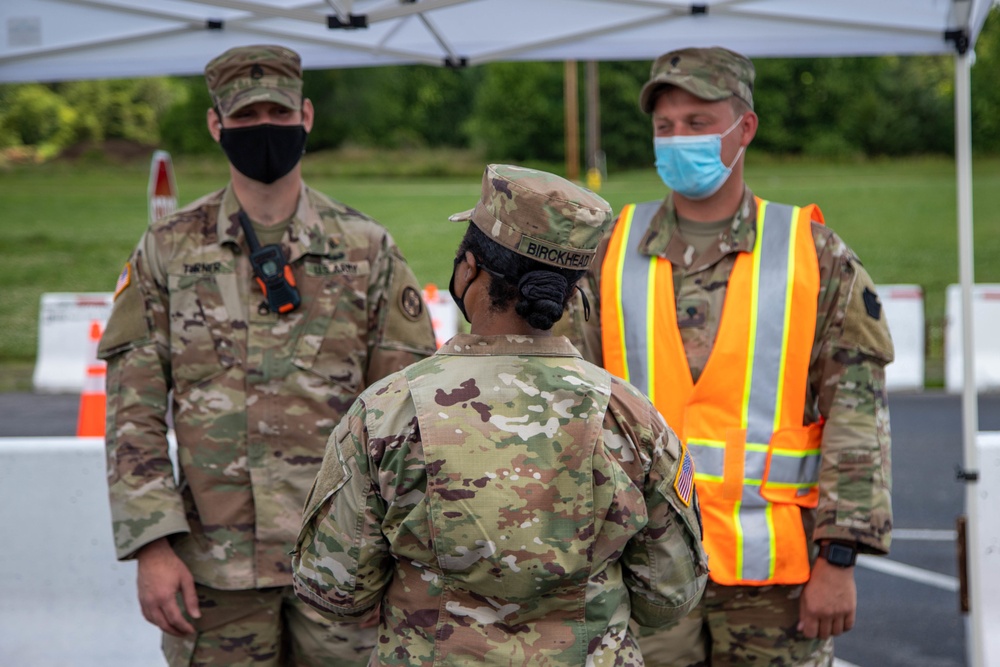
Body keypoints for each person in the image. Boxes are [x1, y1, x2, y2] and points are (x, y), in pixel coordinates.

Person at [97, 44, 437, 666]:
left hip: (346, 569)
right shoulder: (167, 252)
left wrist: (410, 550)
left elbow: (410, 415)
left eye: (277, 115)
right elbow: (131, 415)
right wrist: (152, 546)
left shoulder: (367, 249)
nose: (264, 131)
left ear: (306, 116)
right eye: (245, 117)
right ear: (215, 125)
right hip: (214, 575)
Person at [553, 47, 894, 666]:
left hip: (775, 584)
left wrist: (839, 558)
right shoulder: (609, 248)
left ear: (745, 128)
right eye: (665, 126)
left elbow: (857, 412)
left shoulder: (811, 253)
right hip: (642, 567)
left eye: (698, 122)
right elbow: (563, 395)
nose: (678, 139)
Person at [291, 164, 709, 666]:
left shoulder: (386, 413)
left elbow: (334, 589)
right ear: (572, 292)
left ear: (469, 269)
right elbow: (670, 596)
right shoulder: (632, 418)